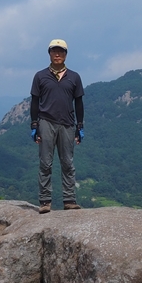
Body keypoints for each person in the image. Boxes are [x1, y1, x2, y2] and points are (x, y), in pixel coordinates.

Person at [30, 39, 85, 213]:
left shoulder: (74, 77)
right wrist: (34, 124)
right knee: (45, 163)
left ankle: (69, 200)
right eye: (54, 51)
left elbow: (79, 103)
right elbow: (34, 101)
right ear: (49, 54)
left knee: (67, 163)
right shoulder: (40, 76)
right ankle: (45, 202)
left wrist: (80, 126)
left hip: (67, 124)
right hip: (46, 122)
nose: (57, 54)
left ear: (66, 54)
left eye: (61, 51)